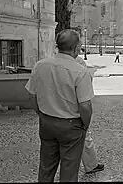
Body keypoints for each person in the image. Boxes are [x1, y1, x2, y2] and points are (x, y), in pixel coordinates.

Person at [25, 29, 94, 182]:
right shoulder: (80, 72)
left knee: (46, 168)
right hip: (71, 125)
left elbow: (31, 95)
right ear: (76, 48)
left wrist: (41, 114)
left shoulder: (40, 65)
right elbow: (85, 106)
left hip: (47, 122)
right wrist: (85, 124)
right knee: (69, 171)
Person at [75, 56, 105, 174]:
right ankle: (91, 165)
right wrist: (86, 122)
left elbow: (33, 96)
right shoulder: (79, 63)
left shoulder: (44, 65)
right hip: (74, 113)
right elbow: (85, 101)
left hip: (49, 117)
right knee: (85, 139)